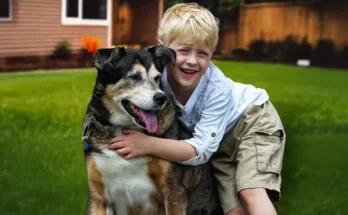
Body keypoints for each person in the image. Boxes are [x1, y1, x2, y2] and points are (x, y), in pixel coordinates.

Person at [108, 3, 286, 215]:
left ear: (212, 54)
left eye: (202, 53)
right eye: (183, 51)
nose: (192, 61)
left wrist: (147, 144)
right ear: (162, 49)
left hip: (252, 121)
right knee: (234, 209)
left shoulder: (217, 90)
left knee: (251, 192)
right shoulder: (154, 77)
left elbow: (199, 150)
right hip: (218, 139)